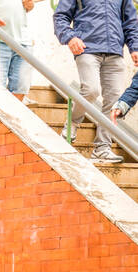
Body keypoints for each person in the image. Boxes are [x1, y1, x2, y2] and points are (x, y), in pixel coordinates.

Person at [54, 0, 138, 164]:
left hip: (115, 51)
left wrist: (134, 47)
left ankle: (102, 148)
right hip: (87, 48)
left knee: (115, 101)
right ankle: (70, 127)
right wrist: (70, 38)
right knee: (91, 90)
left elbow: (131, 21)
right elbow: (60, 17)